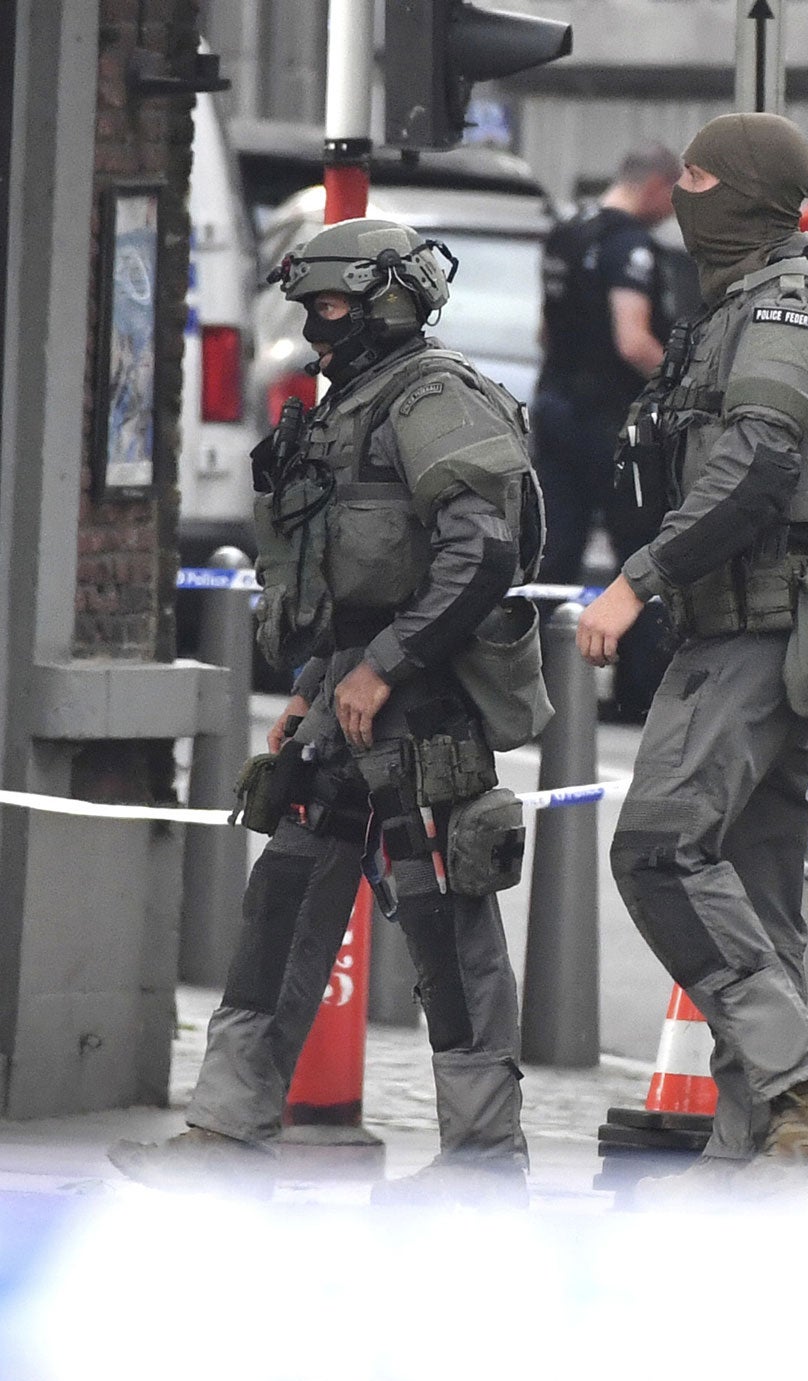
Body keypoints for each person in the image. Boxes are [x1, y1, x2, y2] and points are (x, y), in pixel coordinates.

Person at [111, 218, 547, 1204]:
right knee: (284, 905)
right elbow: (343, 572)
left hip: (422, 704)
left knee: (446, 930)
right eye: (309, 307)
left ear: (390, 300)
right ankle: (228, 1133)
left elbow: (480, 551)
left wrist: (384, 668)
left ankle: (483, 1166)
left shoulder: (436, 399)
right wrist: (315, 684)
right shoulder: (348, 403)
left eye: (334, 305)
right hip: (346, 703)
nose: (318, 325)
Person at [576, 113, 808, 1179]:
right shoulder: (745, 300)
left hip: (760, 623)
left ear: (746, 197)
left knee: (660, 848)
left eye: (698, 173)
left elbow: (760, 460)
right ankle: (756, 1163)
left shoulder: (782, 304)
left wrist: (638, 581)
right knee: (758, 905)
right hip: (760, 618)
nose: (679, 190)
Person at [533, 142, 683, 721]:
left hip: (556, 408)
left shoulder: (567, 232)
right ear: (656, 186)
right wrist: (685, 385)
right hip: (612, 423)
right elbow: (633, 340)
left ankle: (534, 693)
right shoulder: (630, 248)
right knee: (638, 551)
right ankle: (638, 693)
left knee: (553, 554)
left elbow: (545, 333)